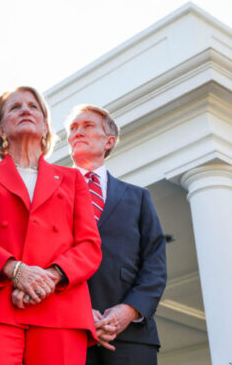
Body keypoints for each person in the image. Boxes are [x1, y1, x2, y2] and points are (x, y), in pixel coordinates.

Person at [0, 86, 103, 364]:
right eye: (15, 107)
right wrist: (16, 271)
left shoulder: (73, 179)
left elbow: (89, 246)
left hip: (60, 305)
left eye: (33, 107)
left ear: (45, 126)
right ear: (0, 130)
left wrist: (49, 278)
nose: (25, 110)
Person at [65, 104, 167, 365]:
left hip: (131, 337)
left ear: (109, 140)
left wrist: (129, 310)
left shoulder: (139, 197)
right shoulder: (52, 194)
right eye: (73, 128)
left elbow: (155, 264)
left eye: (87, 126)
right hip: (67, 333)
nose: (78, 132)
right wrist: (78, 311)